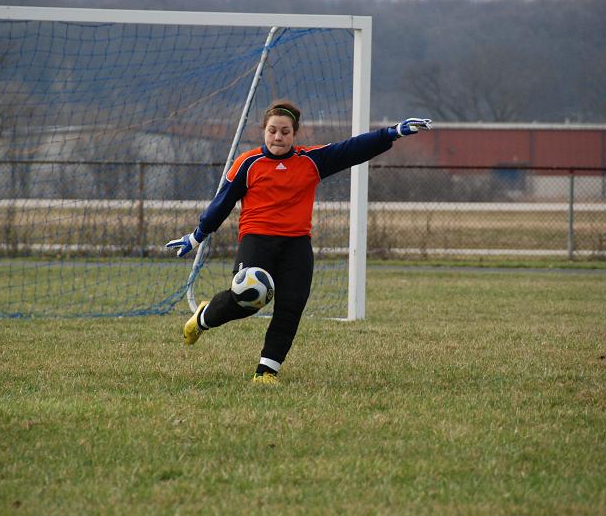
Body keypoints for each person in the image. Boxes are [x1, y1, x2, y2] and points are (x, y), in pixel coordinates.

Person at [166, 100, 431, 384]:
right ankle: (204, 318)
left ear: (294, 134)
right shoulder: (248, 163)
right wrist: (197, 235)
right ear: (263, 132)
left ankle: (266, 372)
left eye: (284, 132)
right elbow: (223, 202)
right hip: (257, 239)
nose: (278, 137)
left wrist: (393, 132)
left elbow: (352, 149)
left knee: (291, 305)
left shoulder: (311, 161)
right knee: (247, 300)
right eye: (272, 131)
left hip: (296, 244)